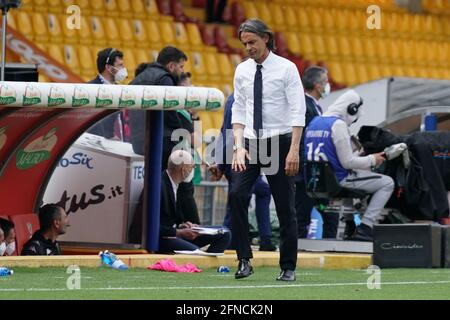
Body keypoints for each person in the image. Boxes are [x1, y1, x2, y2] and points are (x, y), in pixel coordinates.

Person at [229, 19, 306, 281]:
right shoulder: (242, 70)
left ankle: (288, 267)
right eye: (245, 43)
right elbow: (238, 109)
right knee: (237, 195)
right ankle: (243, 260)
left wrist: (293, 150)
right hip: (250, 143)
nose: (248, 47)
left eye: (252, 42)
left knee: (285, 206)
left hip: (280, 142)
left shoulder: (287, 69)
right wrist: (238, 146)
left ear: (266, 39)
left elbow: (298, 110)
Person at [304, 89, 394, 242]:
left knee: (351, 181)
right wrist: (373, 159)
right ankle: (366, 226)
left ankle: (349, 225)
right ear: (351, 109)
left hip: (315, 181)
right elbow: (348, 162)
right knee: (387, 183)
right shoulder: (337, 125)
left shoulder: (315, 122)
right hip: (337, 180)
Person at [210, 93, 276, 251]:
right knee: (238, 201)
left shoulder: (233, 98)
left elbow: (224, 131)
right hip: (242, 155)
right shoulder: (247, 98)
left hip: (233, 155)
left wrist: (220, 163)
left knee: (239, 199)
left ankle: (230, 240)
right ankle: (227, 241)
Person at [295, 66, 339, 239]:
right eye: (325, 82)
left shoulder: (316, 107)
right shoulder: (305, 107)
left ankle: (328, 248)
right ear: (317, 85)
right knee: (302, 215)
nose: (328, 86)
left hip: (314, 171)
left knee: (329, 213)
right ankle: (296, 251)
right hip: (305, 171)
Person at [159, 150, 231, 254]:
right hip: (165, 238)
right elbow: (154, 227)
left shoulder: (177, 184)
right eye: (192, 167)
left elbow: (171, 219)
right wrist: (179, 232)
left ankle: (209, 264)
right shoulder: (160, 186)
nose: (193, 169)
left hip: (175, 234)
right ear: (183, 169)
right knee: (195, 251)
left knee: (224, 233)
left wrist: (183, 225)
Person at [87, 48, 129, 141]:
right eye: (120, 65)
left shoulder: (120, 89)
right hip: (96, 146)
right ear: (109, 68)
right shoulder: (90, 89)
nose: (124, 69)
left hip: (118, 146)